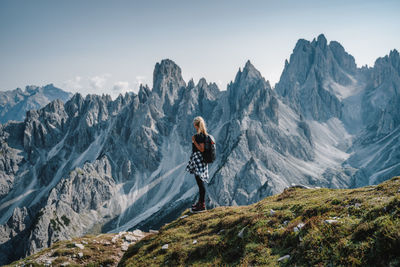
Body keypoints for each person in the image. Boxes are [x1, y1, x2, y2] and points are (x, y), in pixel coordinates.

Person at [185, 116, 209, 212]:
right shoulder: (204, 135)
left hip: (199, 160)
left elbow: (202, 149)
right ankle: (200, 203)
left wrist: (194, 141)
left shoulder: (199, 136)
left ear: (196, 124)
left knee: (200, 183)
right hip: (200, 160)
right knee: (200, 182)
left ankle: (202, 204)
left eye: (194, 124)